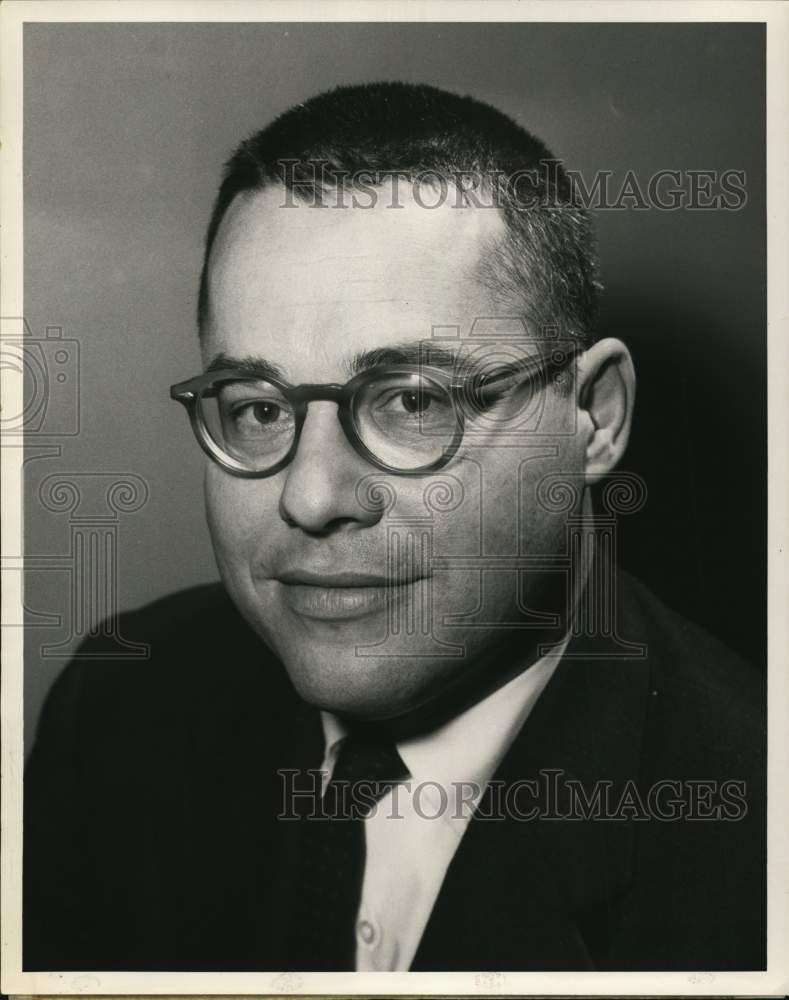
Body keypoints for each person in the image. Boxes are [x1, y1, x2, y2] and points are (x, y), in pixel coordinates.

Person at [24, 82, 765, 973]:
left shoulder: (756, 845)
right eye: (258, 409)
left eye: (414, 400)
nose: (312, 496)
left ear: (591, 416)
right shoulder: (119, 710)